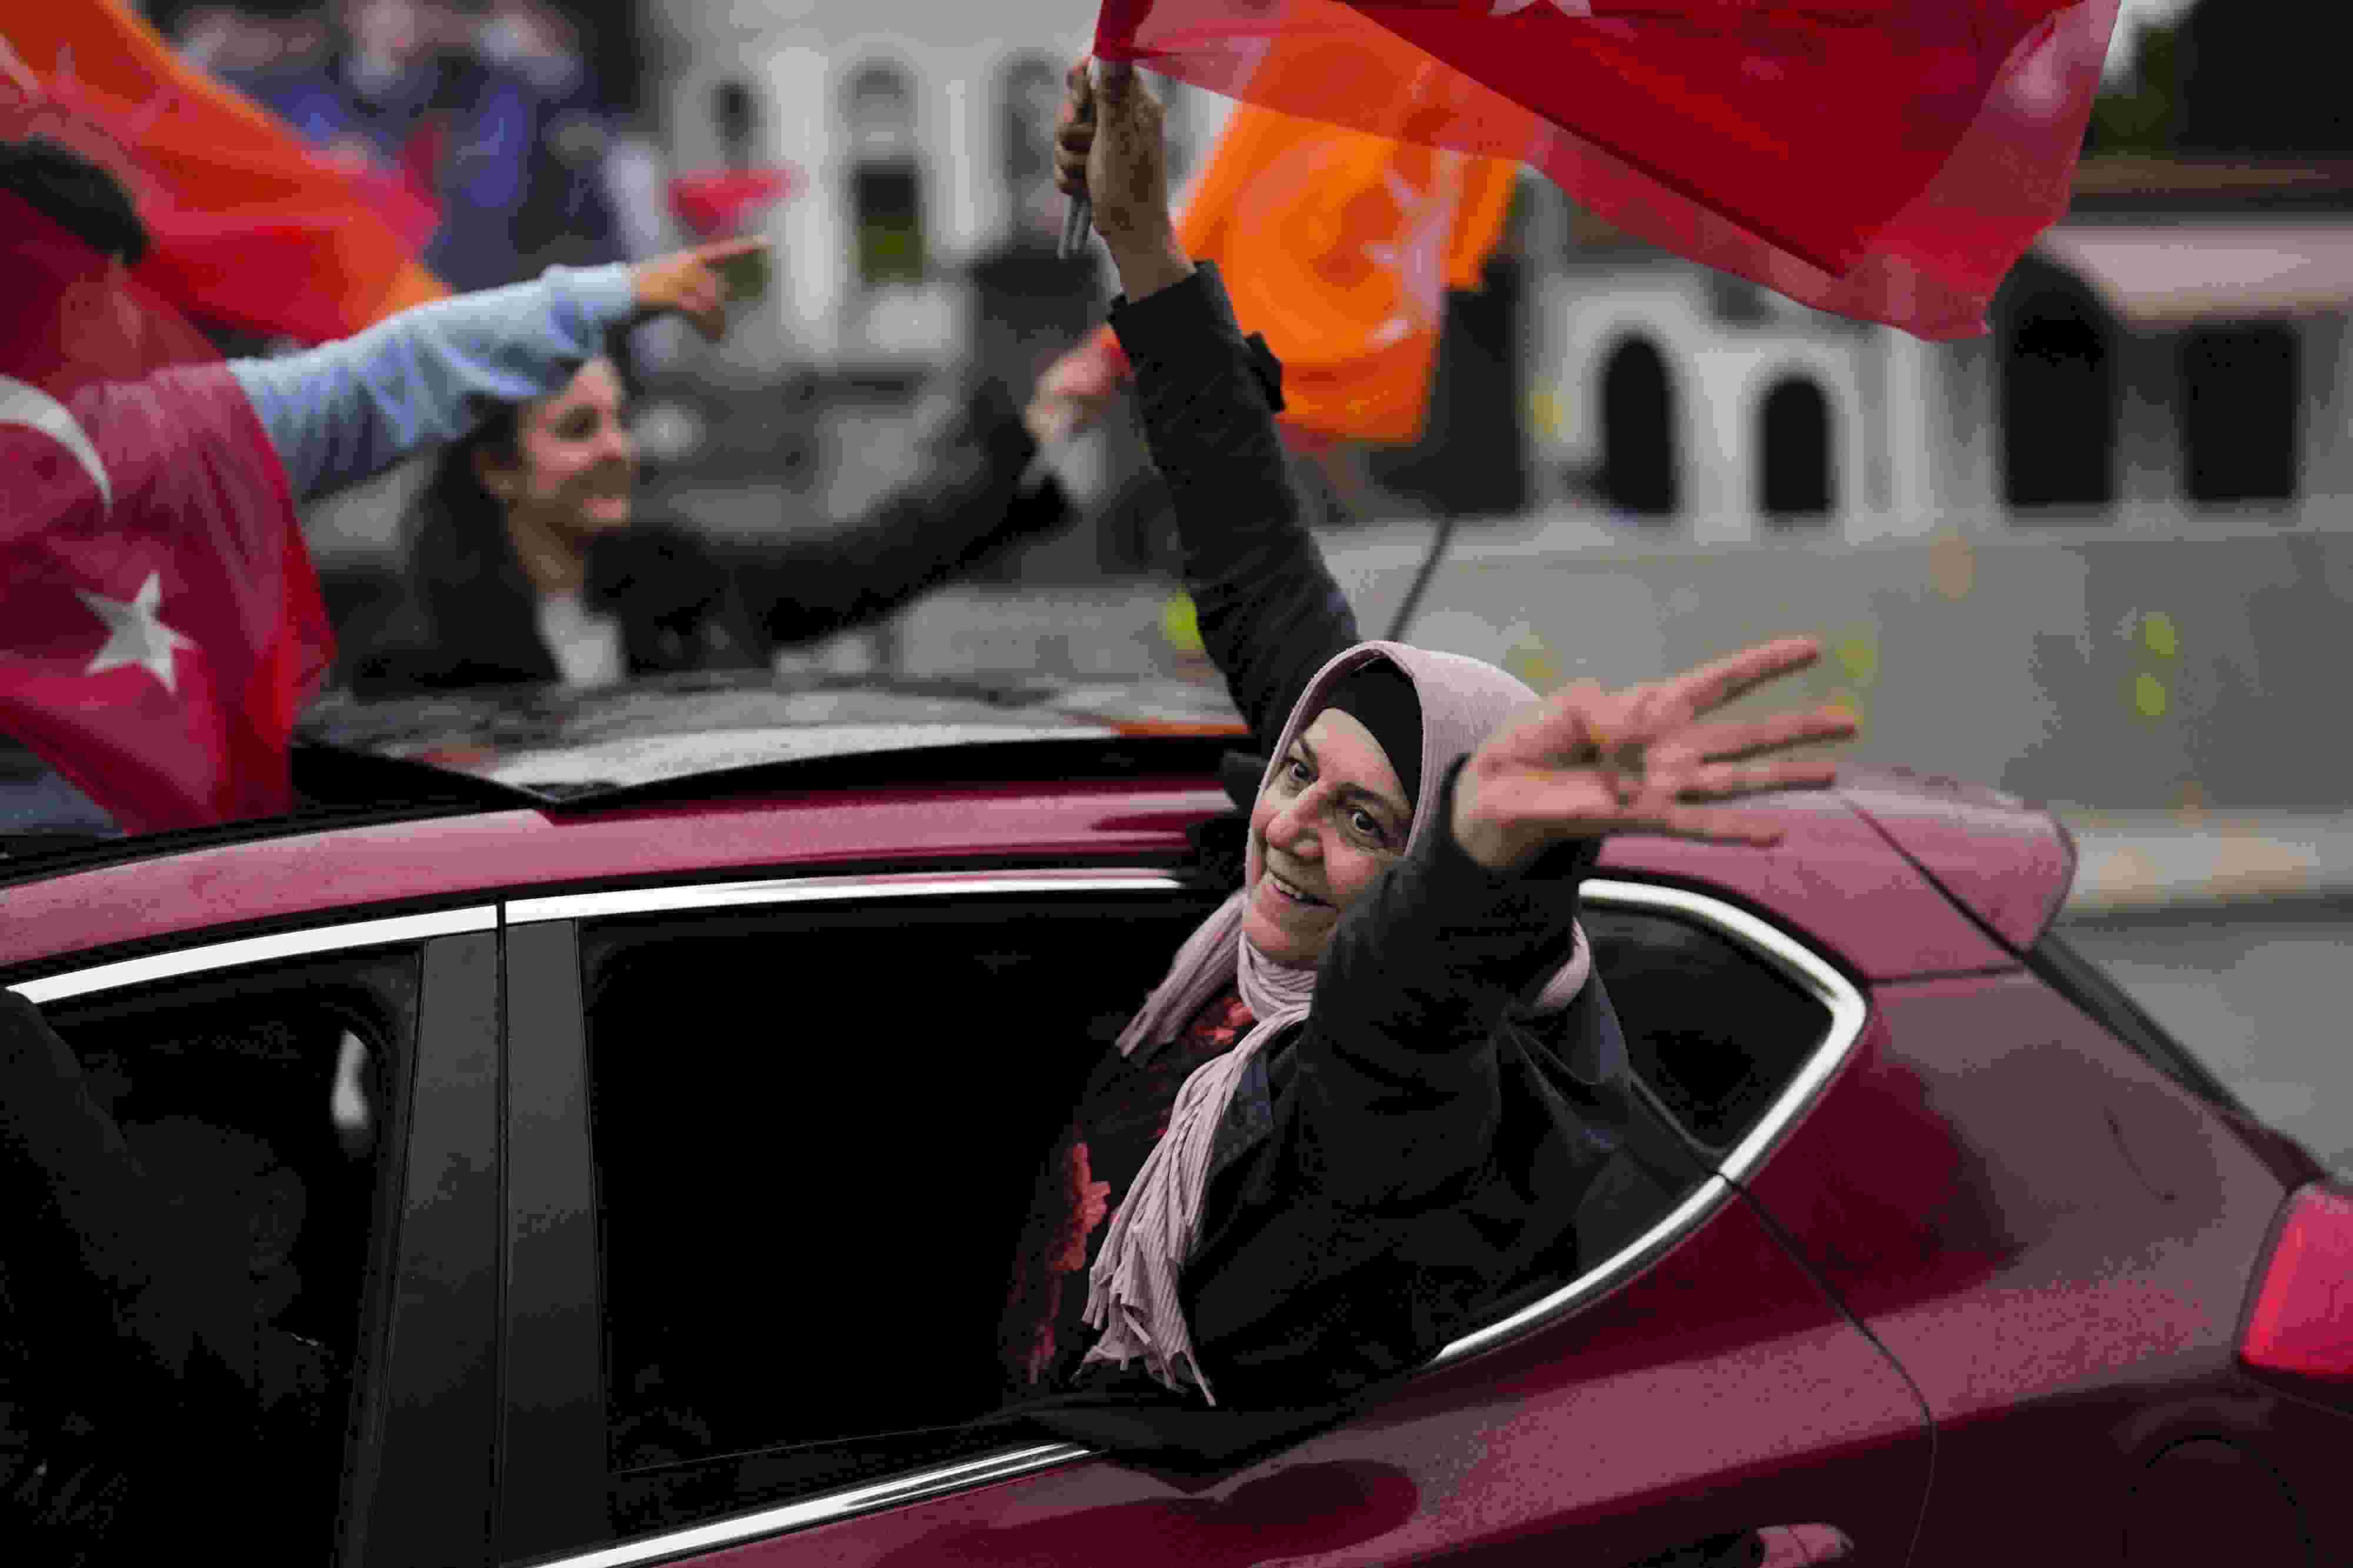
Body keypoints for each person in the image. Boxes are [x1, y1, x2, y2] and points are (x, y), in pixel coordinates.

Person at [990, 62, 1858, 1468]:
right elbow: (1253, 558)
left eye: (1363, 821)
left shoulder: (1413, 1106)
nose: (1290, 825)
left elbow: (1400, 1018)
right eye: (1297, 775)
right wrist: (1144, 245)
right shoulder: (1259, 948)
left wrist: (1482, 863)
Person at [0, 135, 1079, 709]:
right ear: (497, 469)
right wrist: (614, 293)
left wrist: (1031, 431)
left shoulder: (679, 580)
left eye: (617, 420)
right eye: (576, 429)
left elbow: (868, 561)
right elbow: (387, 373)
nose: (617, 450)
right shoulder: (412, 662)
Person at [0, 993, 339, 1562]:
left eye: (129, 1191)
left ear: (266, 1223)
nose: (96, 1225)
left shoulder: (331, 1417)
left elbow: (146, 1331)